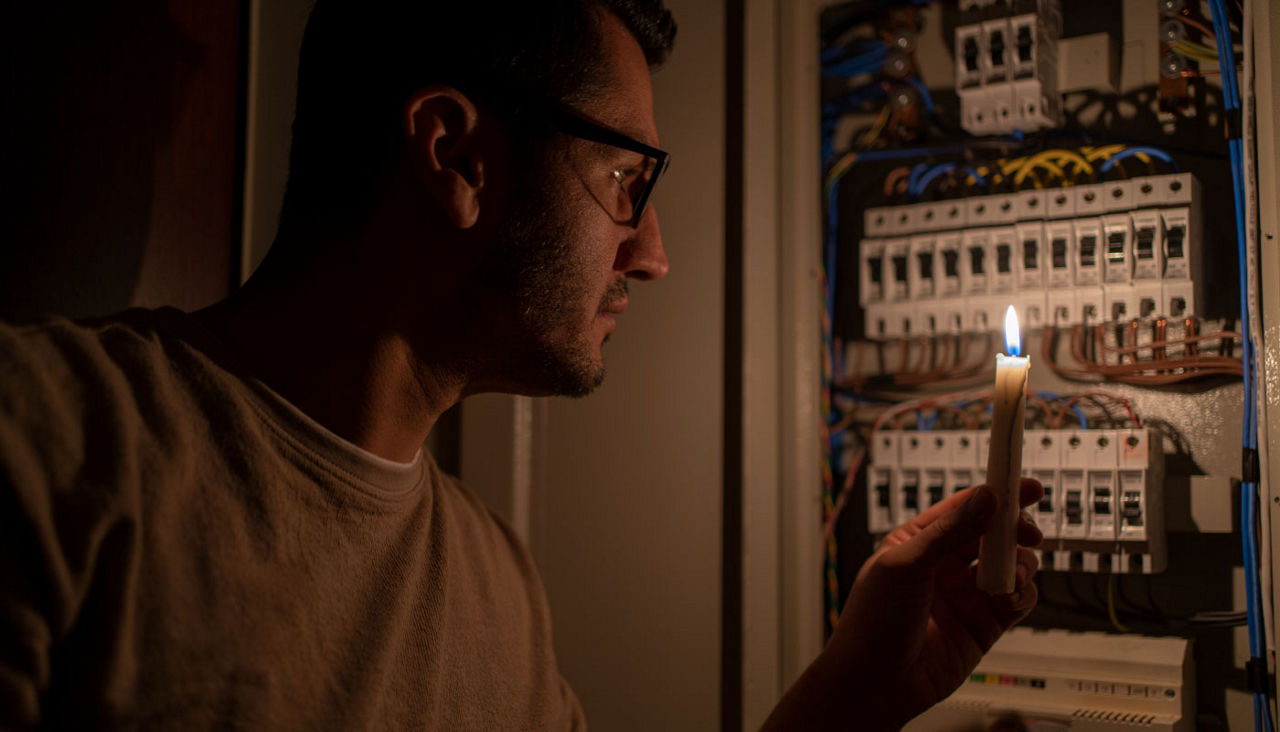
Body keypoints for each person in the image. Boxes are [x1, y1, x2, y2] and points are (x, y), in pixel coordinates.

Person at [0, 0, 1042, 728]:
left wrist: (851, 703)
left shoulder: (495, 589)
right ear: (454, 155)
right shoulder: (48, 442)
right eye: (624, 179)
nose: (654, 253)